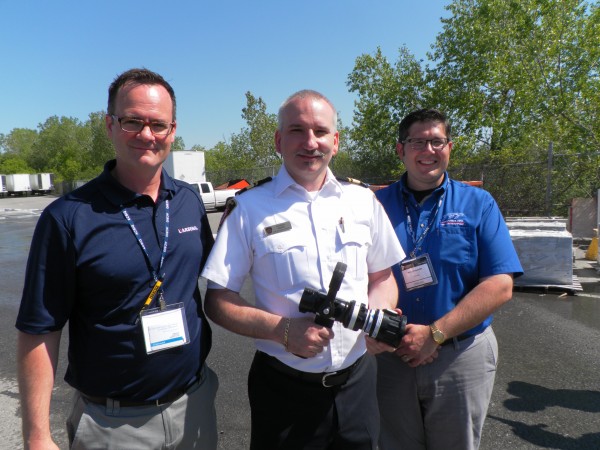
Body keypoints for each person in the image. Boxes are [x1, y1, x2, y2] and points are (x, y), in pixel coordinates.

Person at [16, 68, 218, 450]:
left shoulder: (188, 201)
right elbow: (39, 329)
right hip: (113, 423)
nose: (147, 134)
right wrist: (37, 435)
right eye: (132, 122)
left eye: (158, 124)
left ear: (173, 130)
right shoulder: (68, 217)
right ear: (110, 125)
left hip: (194, 406)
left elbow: (222, 276)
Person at [201, 90, 405, 449]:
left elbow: (382, 276)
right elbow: (218, 300)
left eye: (320, 131)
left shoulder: (363, 201)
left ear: (335, 142)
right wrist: (282, 330)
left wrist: (377, 317)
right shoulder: (249, 208)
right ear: (279, 141)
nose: (310, 142)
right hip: (284, 392)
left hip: (357, 383)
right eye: (297, 130)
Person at [374, 108, 524, 450]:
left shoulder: (478, 204)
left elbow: (500, 284)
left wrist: (435, 334)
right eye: (417, 142)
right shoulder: (374, 206)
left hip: (460, 356)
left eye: (437, 142)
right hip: (390, 358)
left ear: (450, 147)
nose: (428, 150)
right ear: (400, 150)